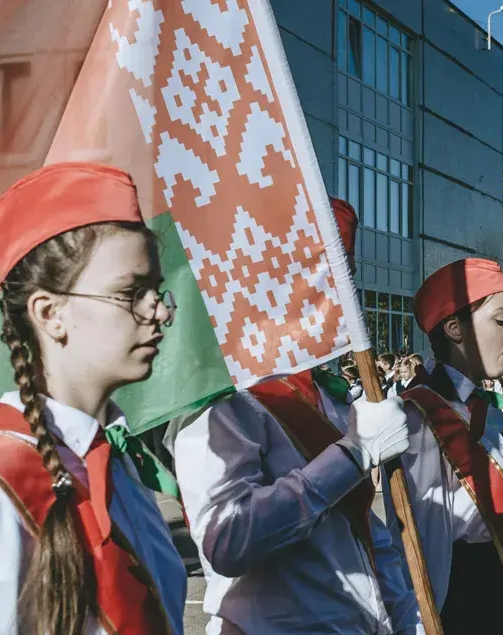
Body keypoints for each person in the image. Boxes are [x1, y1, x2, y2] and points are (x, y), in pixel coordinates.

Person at [0, 164, 187, 634]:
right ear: (49, 313)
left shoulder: (113, 460)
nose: (159, 311)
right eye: (131, 292)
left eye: (156, 291)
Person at [173, 199, 421, 634]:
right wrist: (351, 456)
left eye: (349, 276)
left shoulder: (334, 398)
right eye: (330, 276)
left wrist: (406, 621)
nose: (347, 295)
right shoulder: (226, 399)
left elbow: (362, 531)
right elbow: (228, 540)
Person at [387, 258, 503, 635]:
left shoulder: (480, 407)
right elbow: (420, 549)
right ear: (454, 329)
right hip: (470, 610)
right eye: (501, 319)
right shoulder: (421, 416)